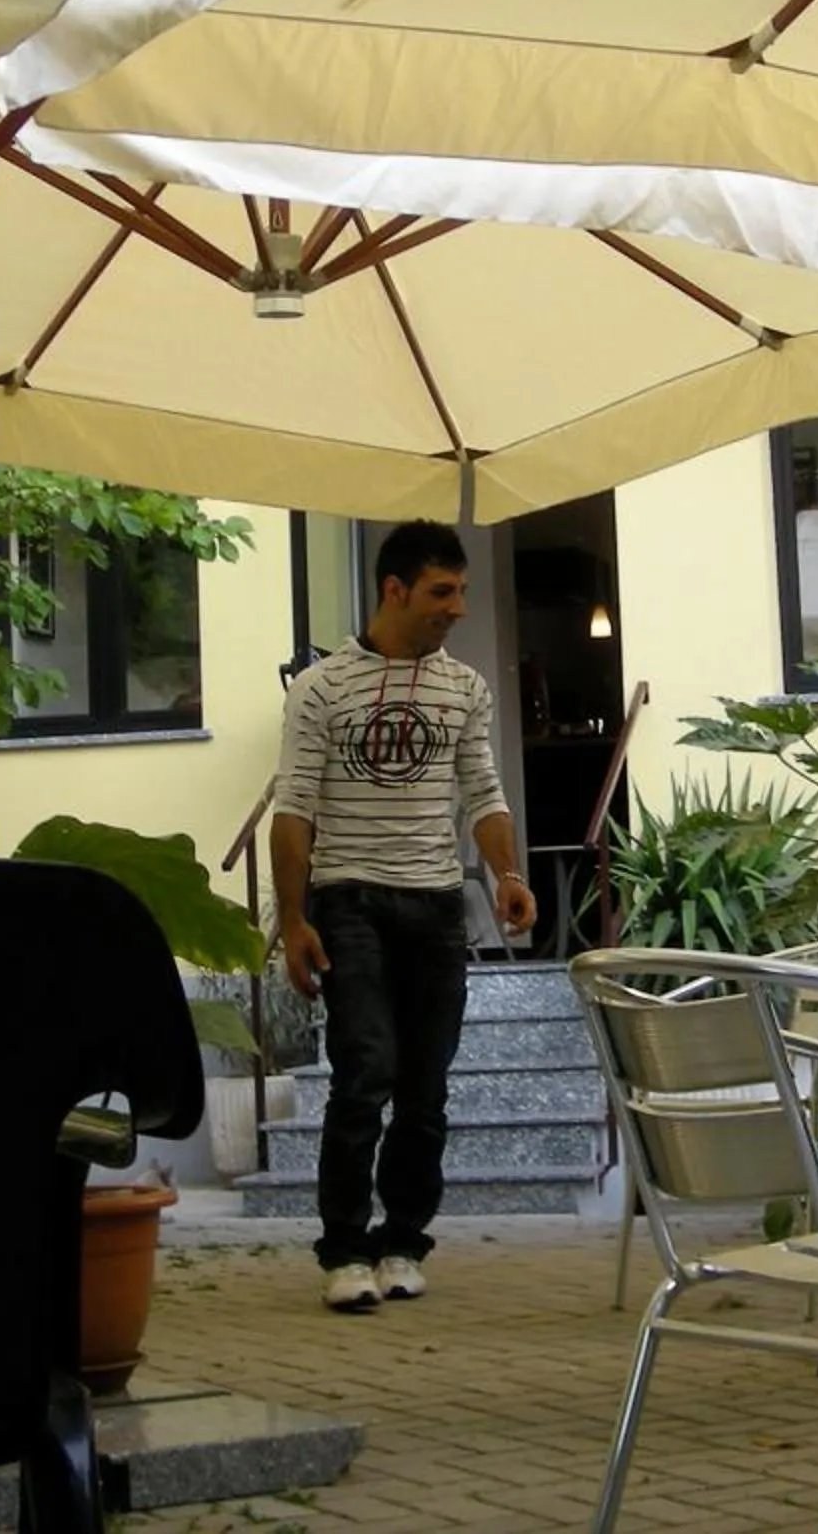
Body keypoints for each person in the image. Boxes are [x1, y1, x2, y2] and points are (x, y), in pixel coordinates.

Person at [270, 520, 535, 1312]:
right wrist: (293, 921)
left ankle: (403, 1242)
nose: (455, 608)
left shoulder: (465, 689)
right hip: (348, 898)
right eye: (441, 593)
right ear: (395, 590)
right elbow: (294, 809)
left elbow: (482, 792)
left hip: (436, 904)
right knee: (366, 1072)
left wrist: (507, 873)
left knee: (426, 1088)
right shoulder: (321, 689)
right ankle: (344, 1250)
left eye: (460, 593)